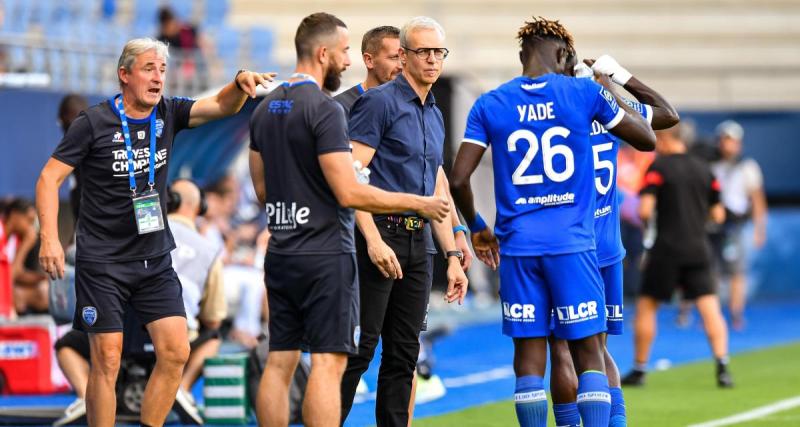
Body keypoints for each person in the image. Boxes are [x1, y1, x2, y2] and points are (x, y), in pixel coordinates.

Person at [36, 37, 275, 427]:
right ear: (124, 75)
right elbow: (49, 179)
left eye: (162, 70)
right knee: (107, 358)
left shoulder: (168, 111)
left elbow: (220, 105)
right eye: (149, 69)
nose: (158, 78)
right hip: (103, 262)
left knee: (176, 350)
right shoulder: (93, 122)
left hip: (154, 260)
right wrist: (49, 237)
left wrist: (238, 82)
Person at [449, 16, 655, 427]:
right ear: (563, 55)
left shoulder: (490, 103)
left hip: (518, 248)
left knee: (529, 360)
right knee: (587, 352)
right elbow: (648, 137)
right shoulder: (582, 92)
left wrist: (477, 228)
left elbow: (457, 178)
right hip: (573, 246)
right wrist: (609, 91)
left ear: (521, 54)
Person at [247, 13, 452, 427]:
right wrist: (390, 226)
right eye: (343, 53)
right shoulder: (340, 107)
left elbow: (263, 189)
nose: (346, 62)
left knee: (397, 353)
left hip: (294, 241)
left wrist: (452, 244)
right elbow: (350, 187)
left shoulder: (267, 108)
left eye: (438, 52)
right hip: (342, 244)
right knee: (341, 357)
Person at [334, 24, 472, 423]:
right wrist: (374, 240)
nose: (431, 59)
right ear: (406, 55)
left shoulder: (435, 113)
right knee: (361, 350)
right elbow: (353, 178)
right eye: (423, 52)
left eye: (438, 53)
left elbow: (436, 193)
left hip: (420, 245)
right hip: (381, 235)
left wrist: (451, 254)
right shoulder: (378, 103)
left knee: (404, 354)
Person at [546, 54, 679, 427]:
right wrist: (621, 77)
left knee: (562, 348)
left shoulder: (558, 111)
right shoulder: (612, 111)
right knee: (598, 350)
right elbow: (667, 115)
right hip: (607, 247)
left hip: (569, 247)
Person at [52, 179, 228, 426]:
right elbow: (214, 317)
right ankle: (182, 387)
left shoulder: (132, 229)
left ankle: (85, 394)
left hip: (120, 324)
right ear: (201, 208)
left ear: (169, 201)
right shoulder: (208, 250)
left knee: (68, 345)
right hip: (172, 329)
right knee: (211, 337)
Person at [621, 123, 733, 388]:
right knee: (710, 308)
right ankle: (723, 367)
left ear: (667, 138)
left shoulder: (659, 167)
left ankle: (639, 369)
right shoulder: (705, 169)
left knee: (647, 306)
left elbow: (645, 211)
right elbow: (718, 215)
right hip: (698, 248)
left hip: (666, 249)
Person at [710, 120, 767, 330]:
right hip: (713, 225)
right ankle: (713, 315)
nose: (728, 145)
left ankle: (736, 313)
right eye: (725, 140)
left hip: (736, 225)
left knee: (736, 271)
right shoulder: (711, 165)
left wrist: (760, 229)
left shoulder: (748, 167)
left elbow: (758, 199)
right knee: (712, 271)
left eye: (732, 141)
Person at [0, 198, 47, 316]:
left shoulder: (14, 239)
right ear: (15, 215)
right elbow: (7, 277)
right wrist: (26, 245)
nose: (31, 227)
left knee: (44, 287)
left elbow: (18, 273)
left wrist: (42, 278)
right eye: (29, 220)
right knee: (21, 294)